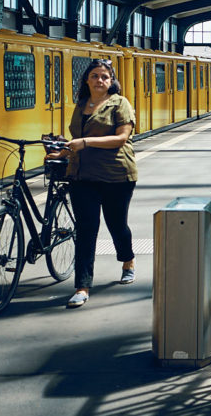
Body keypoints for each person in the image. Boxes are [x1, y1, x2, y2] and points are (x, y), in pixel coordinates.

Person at [47, 59, 138, 309]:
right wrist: (63, 154)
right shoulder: (81, 105)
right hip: (82, 175)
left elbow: (121, 138)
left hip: (116, 175)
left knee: (116, 224)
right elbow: (77, 138)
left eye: (105, 76)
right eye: (95, 76)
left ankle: (127, 260)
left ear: (112, 81)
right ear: (87, 80)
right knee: (86, 230)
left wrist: (85, 143)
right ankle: (82, 287)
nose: (100, 80)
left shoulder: (120, 103)